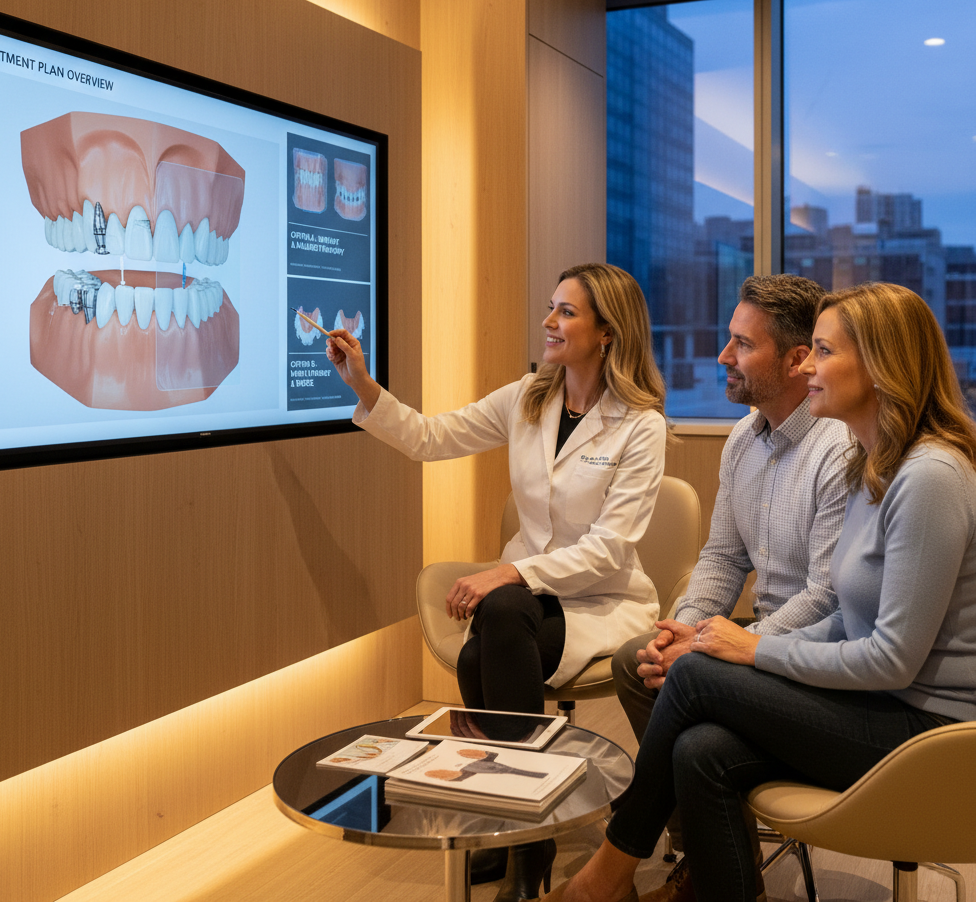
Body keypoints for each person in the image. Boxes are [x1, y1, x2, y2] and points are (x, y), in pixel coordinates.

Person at [543, 282, 976, 902]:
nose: (810, 367)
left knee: (690, 679)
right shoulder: (874, 461)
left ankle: (607, 875)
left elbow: (889, 655)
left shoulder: (929, 476)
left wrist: (748, 649)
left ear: (880, 367)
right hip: (886, 704)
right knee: (700, 749)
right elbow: (835, 611)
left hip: (934, 737)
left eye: (823, 353)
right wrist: (700, 634)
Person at [325, 262, 669, 902]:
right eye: (551, 307)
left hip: (597, 599)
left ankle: (515, 833)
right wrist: (365, 387)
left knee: (495, 625)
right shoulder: (527, 397)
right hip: (525, 605)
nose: (549, 321)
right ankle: (524, 831)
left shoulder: (640, 424)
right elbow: (432, 437)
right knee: (499, 626)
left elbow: (610, 549)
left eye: (566, 312)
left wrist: (510, 570)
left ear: (608, 333)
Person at [610, 274, 851, 902]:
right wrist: (684, 626)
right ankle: (710, 852)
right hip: (758, 640)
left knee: (695, 726)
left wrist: (727, 646)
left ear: (798, 359)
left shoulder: (840, 448)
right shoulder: (744, 439)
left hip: (814, 651)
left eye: (741, 345)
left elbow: (828, 597)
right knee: (639, 660)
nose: (723, 357)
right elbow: (722, 557)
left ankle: (677, 860)